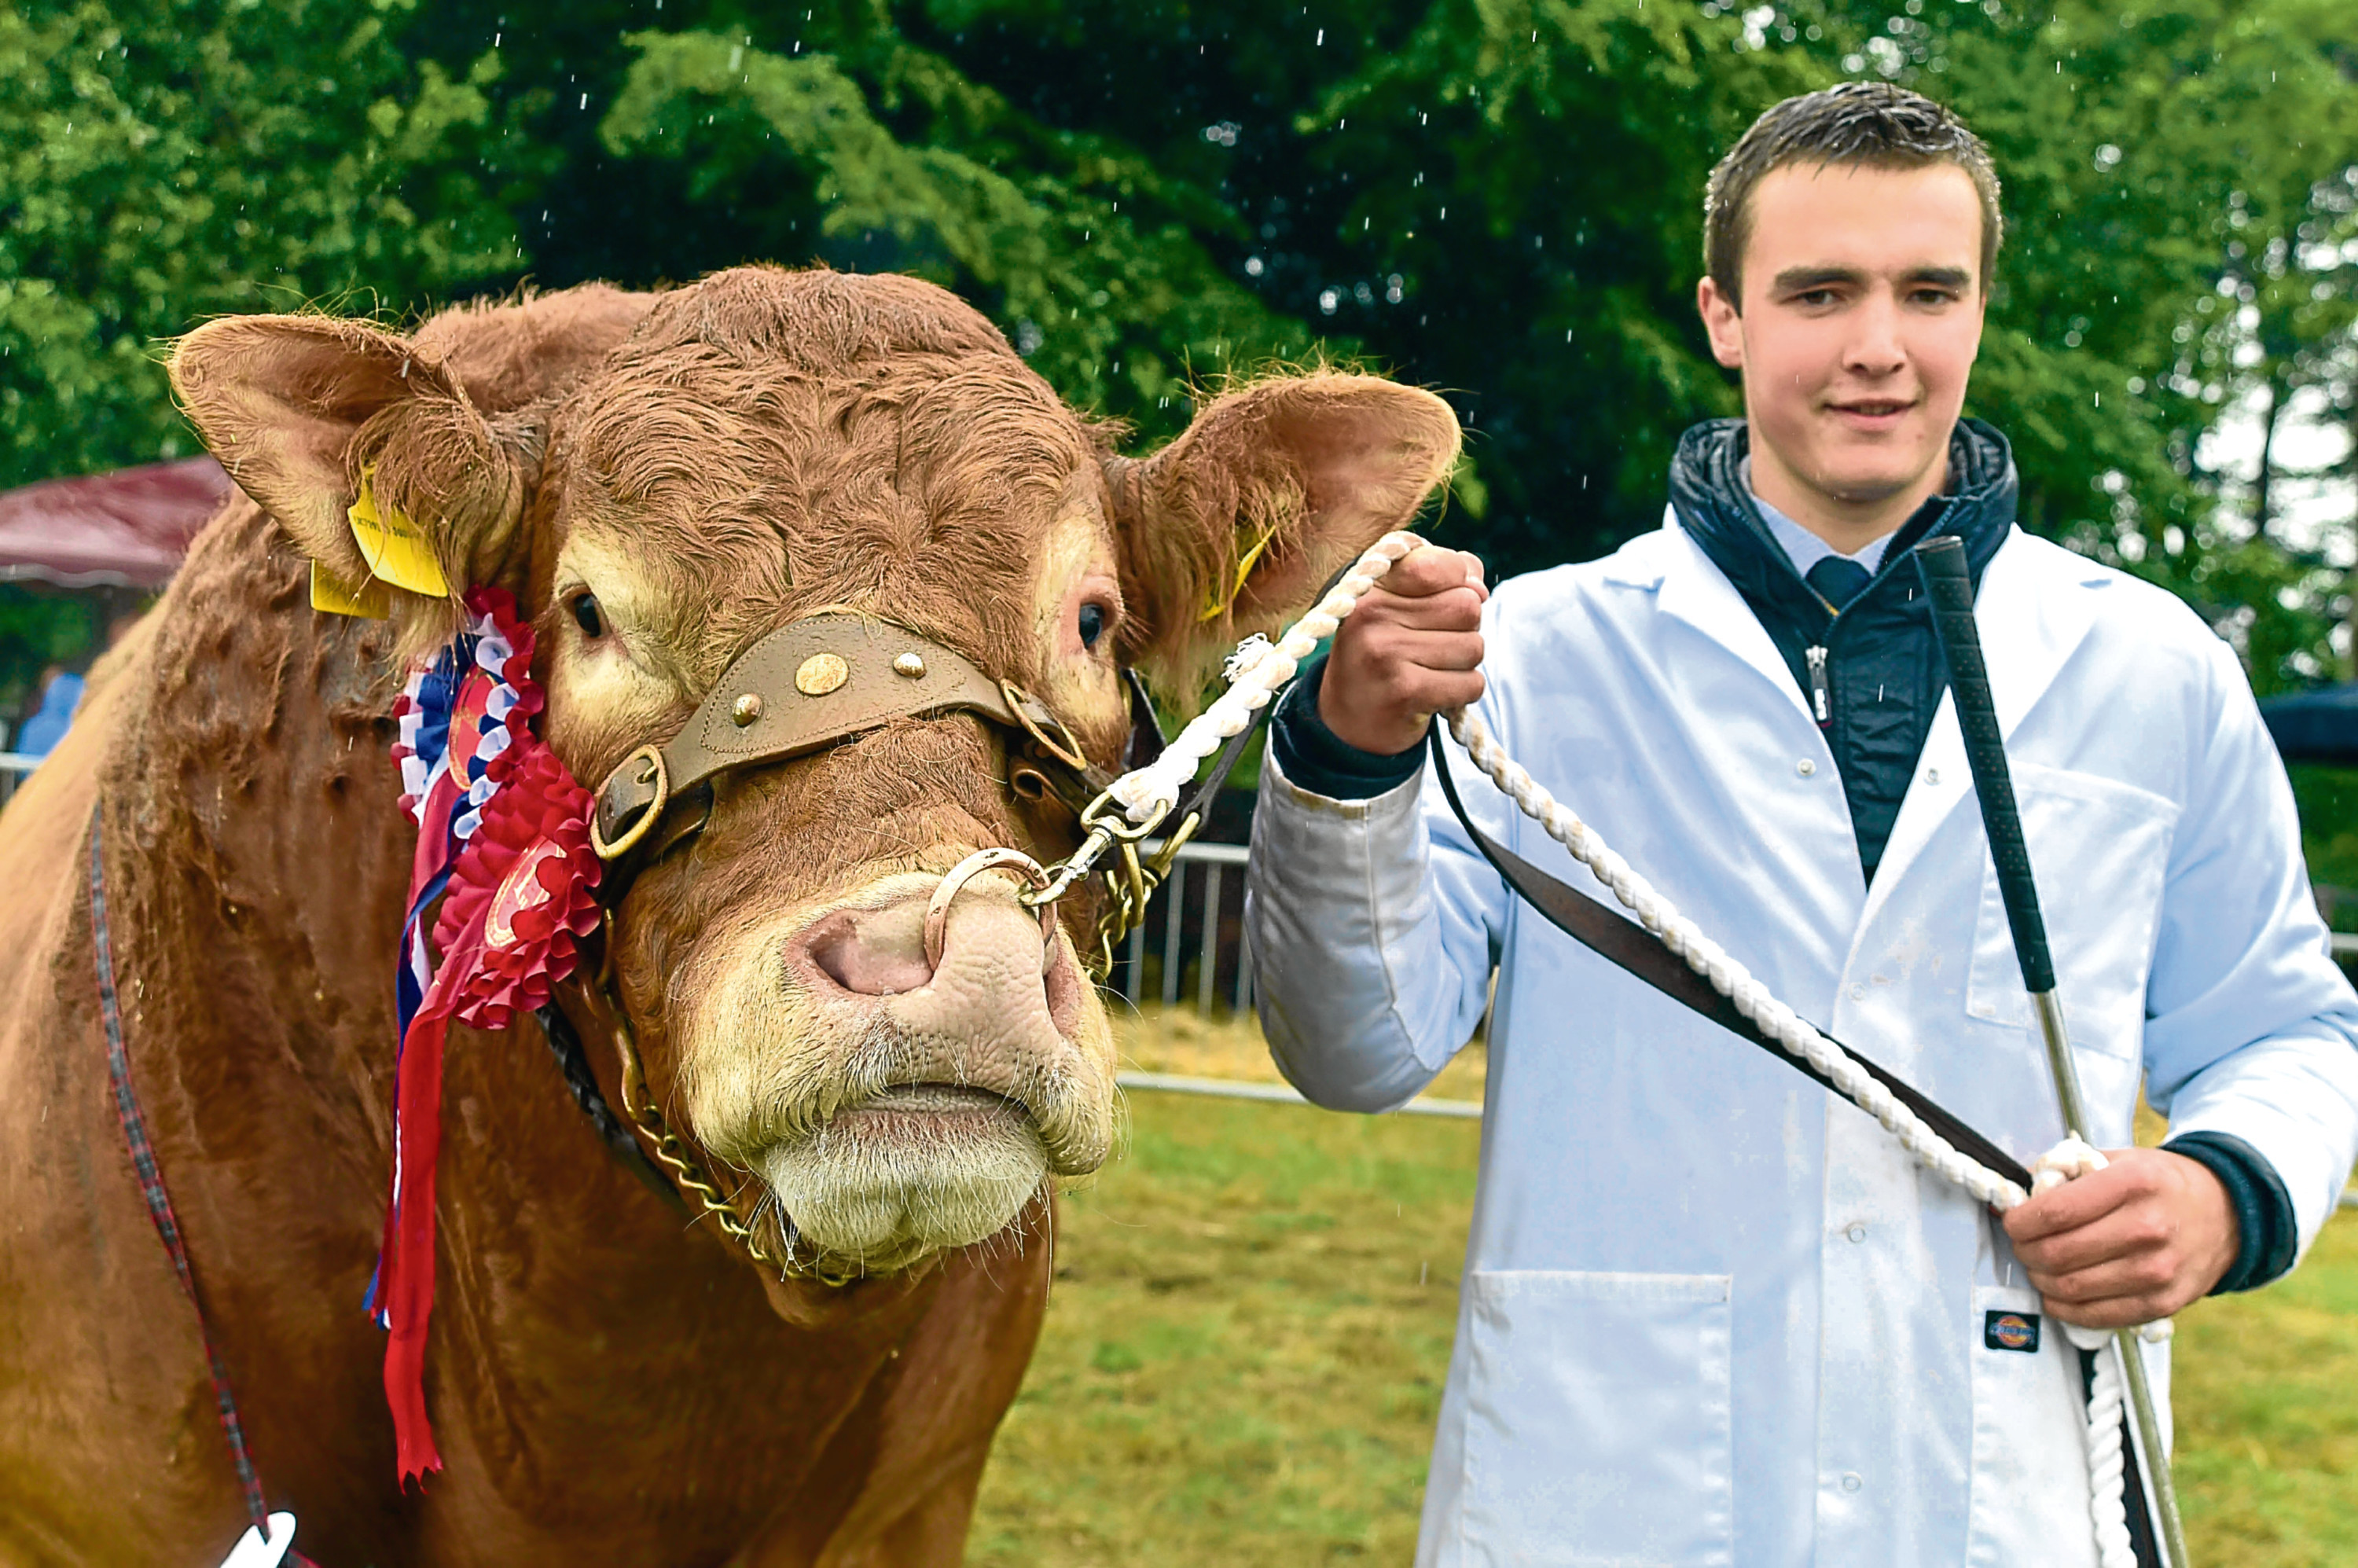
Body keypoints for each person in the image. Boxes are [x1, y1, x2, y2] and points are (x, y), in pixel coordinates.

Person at [1244, 83, 2358, 1566]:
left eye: (1927, 291)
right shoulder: (1533, 658)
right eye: (1819, 292)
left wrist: (2223, 1192)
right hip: (1614, 1487)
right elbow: (1356, 1048)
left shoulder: (2153, 671)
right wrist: (1347, 751)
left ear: (1979, 309)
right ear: (1725, 314)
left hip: (2000, 1488)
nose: (1877, 348)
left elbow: (2284, 1030)